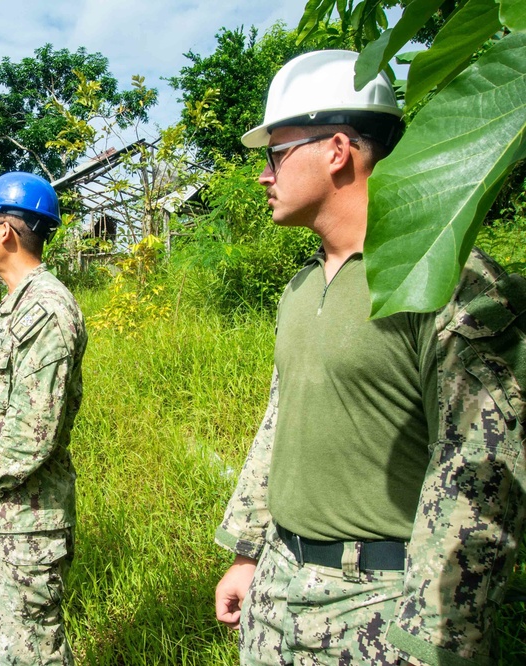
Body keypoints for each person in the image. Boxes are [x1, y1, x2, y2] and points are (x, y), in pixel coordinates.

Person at [214, 50, 526, 666]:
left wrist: (429, 637)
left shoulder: (449, 281)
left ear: (336, 150)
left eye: (275, 154)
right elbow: (284, 418)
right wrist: (249, 552)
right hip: (278, 596)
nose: (263, 175)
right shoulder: (301, 289)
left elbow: (481, 474)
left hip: (379, 607)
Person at [0, 172, 87, 666]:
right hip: (6, 518)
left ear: (5, 231)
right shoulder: (14, 307)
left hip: (29, 523)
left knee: (32, 655)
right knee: (10, 647)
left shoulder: (45, 310)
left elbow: (34, 432)